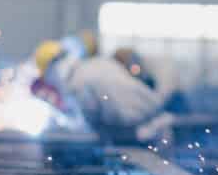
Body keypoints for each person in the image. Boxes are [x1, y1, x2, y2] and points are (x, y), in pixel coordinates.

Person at [33, 38, 165, 135]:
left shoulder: (77, 83)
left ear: (52, 70)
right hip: (158, 121)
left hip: (146, 132)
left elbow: (93, 128)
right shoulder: (98, 63)